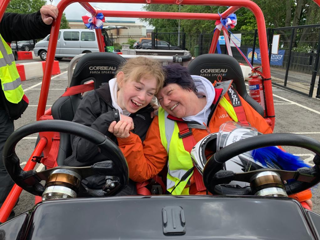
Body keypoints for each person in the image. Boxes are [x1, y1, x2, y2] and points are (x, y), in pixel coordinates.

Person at [109, 64, 274, 195]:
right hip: (193, 200)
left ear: (188, 86)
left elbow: (270, 145)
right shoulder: (162, 121)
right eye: (160, 99)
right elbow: (145, 171)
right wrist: (127, 140)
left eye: (169, 92)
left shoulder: (231, 101)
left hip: (250, 189)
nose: (165, 102)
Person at [64, 57, 165, 195]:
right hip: (83, 175)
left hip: (120, 181)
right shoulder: (92, 100)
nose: (142, 97)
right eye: (138, 87)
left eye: (150, 93)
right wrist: (111, 118)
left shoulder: (147, 115)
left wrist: (127, 139)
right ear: (121, 80)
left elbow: (138, 163)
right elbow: (81, 153)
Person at [0, 5, 59, 210]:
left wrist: (40, 20)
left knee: (4, 160)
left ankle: (4, 209)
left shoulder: (1, 20)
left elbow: (21, 25)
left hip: (1, 110)